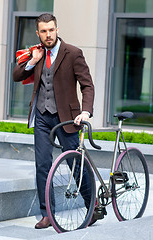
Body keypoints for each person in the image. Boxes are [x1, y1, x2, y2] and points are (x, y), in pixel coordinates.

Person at [13, 13, 95, 229]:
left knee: (74, 164)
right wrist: (33, 61)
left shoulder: (73, 54)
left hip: (67, 119)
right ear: (38, 33)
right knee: (42, 165)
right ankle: (47, 213)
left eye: (51, 30)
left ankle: (92, 206)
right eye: (43, 31)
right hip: (41, 116)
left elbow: (87, 86)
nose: (48, 35)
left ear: (57, 30)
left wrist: (85, 111)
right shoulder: (37, 52)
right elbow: (16, 75)